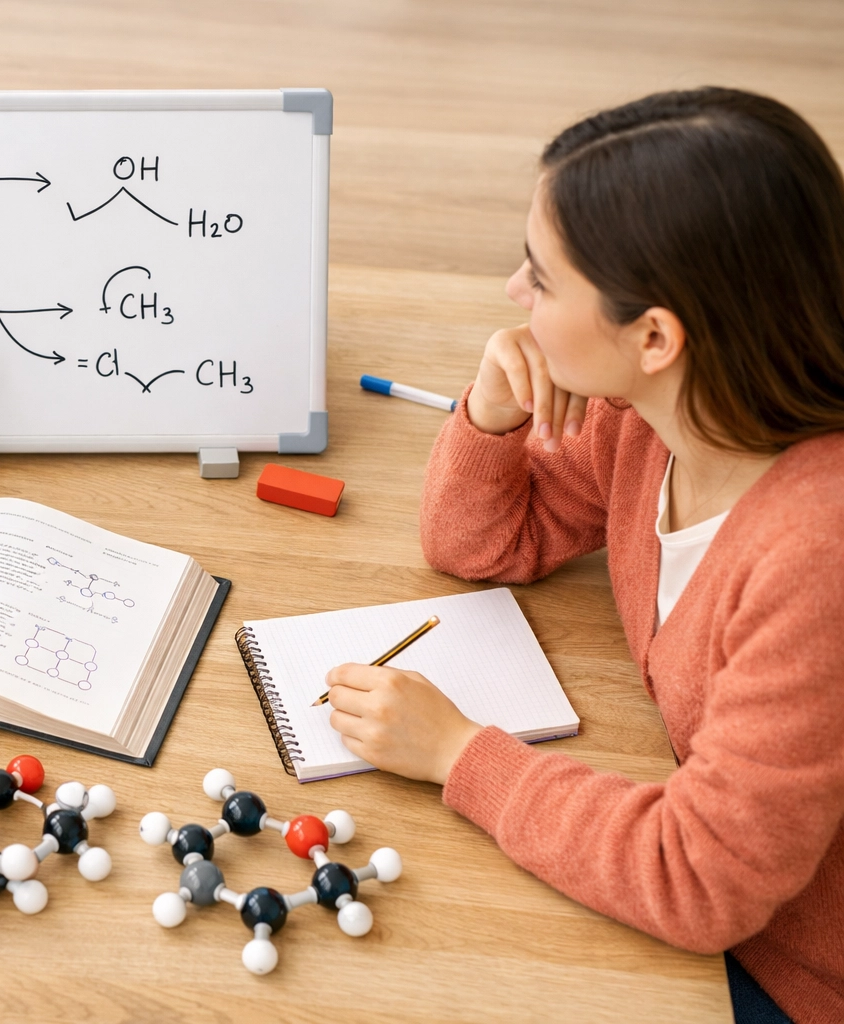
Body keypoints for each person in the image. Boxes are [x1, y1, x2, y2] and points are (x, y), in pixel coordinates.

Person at [321, 88, 844, 1024]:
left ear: (655, 336)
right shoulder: (651, 417)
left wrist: (458, 754)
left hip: (794, 971)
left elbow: (697, 879)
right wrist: (492, 414)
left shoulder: (816, 558)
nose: (514, 294)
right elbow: (481, 544)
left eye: (542, 278)